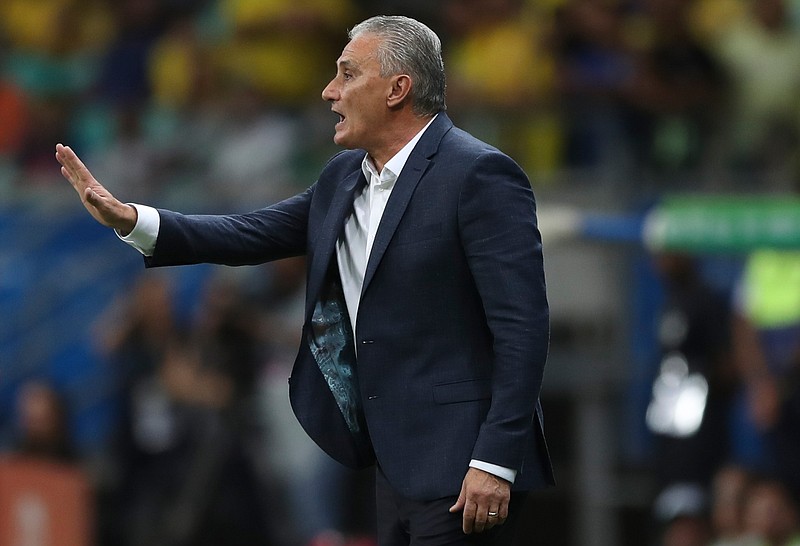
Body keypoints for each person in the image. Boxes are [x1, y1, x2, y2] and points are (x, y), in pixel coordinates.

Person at [55, 15, 553, 546]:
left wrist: (496, 459)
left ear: (397, 89)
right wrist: (133, 220)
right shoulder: (343, 177)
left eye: (346, 74)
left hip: (466, 465)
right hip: (391, 465)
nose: (328, 91)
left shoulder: (479, 174)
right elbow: (247, 233)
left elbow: (522, 327)